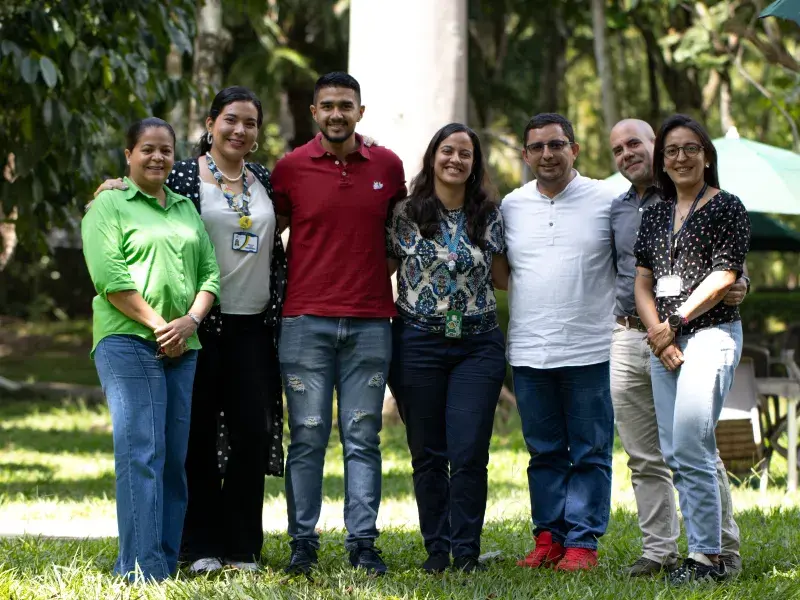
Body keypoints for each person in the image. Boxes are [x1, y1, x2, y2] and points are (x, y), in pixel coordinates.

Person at [92, 87, 287, 574]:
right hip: (197, 326)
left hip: (252, 324)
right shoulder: (181, 174)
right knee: (195, 436)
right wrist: (112, 184)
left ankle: (242, 546)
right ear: (210, 123)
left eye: (249, 122)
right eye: (230, 119)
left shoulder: (262, 179)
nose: (239, 130)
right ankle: (199, 545)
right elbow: (145, 184)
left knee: (252, 432)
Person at [271, 72, 406, 576]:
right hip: (305, 322)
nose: (336, 114)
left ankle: (363, 543)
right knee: (307, 436)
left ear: (360, 112)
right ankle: (302, 544)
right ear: (314, 112)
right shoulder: (290, 168)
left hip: (371, 322)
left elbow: (400, 233)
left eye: (345, 105)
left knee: (362, 436)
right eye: (327, 105)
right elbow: (261, 227)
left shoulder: (387, 166)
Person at [82, 118, 220, 582]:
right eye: (147, 149)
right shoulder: (108, 205)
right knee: (141, 452)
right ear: (128, 155)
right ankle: (140, 568)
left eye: (166, 150)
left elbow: (210, 275)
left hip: (184, 343)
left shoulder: (184, 207)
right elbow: (111, 279)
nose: (157, 157)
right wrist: (164, 328)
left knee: (173, 459)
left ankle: (161, 559)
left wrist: (190, 322)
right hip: (127, 341)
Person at [609, 118, 746, 577]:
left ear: (706, 155)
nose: (681, 158)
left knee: (691, 444)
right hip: (662, 340)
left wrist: (675, 323)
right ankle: (707, 554)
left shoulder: (726, 206)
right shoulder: (654, 214)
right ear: (663, 161)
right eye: (672, 151)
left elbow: (725, 275)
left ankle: (709, 556)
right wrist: (659, 334)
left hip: (710, 335)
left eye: (690, 149)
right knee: (673, 450)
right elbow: (642, 282)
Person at [386, 123, 507, 574]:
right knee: (428, 453)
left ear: (474, 164)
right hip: (417, 343)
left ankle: (466, 551)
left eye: (465, 154)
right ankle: (437, 549)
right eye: (447, 151)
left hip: (478, 346)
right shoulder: (405, 213)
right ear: (433, 156)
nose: (455, 160)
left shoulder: (489, 214)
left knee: (470, 451)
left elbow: (504, 278)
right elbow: (380, 270)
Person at [500, 113, 616, 572]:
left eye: (556, 144)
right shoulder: (511, 205)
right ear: (525, 155)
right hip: (530, 350)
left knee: (590, 450)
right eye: (537, 147)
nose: (547, 154)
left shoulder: (607, 198)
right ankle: (548, 537)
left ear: (574, 149)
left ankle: (583, 542)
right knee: (543, 451)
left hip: (591, 348)